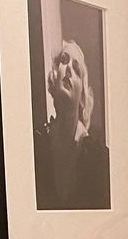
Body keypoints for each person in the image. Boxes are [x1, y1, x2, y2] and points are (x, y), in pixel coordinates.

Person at [32, 37, 110, 210]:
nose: (68, 69)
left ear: (82, 97)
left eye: (76, 69)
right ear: (54, 76)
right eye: (64, 60)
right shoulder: (36, 146)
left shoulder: (100, 159)